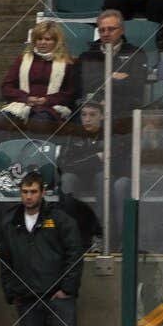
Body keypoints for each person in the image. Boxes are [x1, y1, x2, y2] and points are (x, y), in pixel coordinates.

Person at [0, 172, 84, 326]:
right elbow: (5, 260)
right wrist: (12, 292)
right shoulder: (10, 222)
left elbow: (75, 255)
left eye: (33, 191)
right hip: (27, 301)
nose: (29, 196)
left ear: (42, 192)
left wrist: (67, 289)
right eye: (25, 192)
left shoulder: (61, 220)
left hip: (58, 300)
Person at [56, 99, 132, 247]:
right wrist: (95, 158)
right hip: (80, 180)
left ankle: (100, 237)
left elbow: (116, 166)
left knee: (102, 177)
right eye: (84, 115)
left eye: (92, 115)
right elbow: (64, 165)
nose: (87, 119)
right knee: (67, 179)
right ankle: (68, 236)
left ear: (102, 116)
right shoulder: (74, 135)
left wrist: (85, 162)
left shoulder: (112, 135)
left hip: (104, 181)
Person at [0, 21, 79, 144]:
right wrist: (26, 98)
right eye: (39, 38)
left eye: (48, 39)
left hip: (51, 108)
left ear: (56, 42)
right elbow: (7, 86)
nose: (43, 42)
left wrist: (47, 100)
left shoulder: (67, 63)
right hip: (23, 104)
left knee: (40, 123)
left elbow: (71, 93)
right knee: (2, 121)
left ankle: (37, 161)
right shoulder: (22, 59)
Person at [81, 11, 148, 126]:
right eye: (102, 30)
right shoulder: (87, 56)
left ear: (122, 30)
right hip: (92, 109)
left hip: (124, 109)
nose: (106, 33)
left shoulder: (136, 53)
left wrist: (101, 80)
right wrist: (113, 77)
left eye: (111, 29)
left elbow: (136, 84)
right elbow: (86, 84)